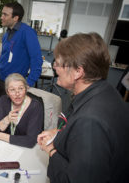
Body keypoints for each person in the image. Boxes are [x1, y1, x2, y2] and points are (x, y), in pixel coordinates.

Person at [37, 33, 129, 183]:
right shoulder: (105, 91)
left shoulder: (90, 122)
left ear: (78, 72)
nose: (55, 68)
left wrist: (51, 150)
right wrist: (61, 132)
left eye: (59, 64)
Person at [0, 2, 42, 101]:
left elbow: (36, 60)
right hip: (1, 80)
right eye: (2, 14)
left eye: (5, 14)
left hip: (15, 84)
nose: (1, 17)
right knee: (1, 110)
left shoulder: (27, 32)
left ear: (15, 18)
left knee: (13, 114)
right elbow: (3, 57)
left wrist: (28, 83)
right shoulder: (7, 33)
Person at [0, 73, 43, 148]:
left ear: (25, 89)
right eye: (12, 90)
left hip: (26, 149)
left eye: (21, 88)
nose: (17, 93)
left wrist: (1, 136)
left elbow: (30, 141)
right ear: (7, 92)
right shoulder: (4, 100)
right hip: (7, 146)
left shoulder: (35, 106)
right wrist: (6, 119)